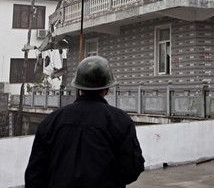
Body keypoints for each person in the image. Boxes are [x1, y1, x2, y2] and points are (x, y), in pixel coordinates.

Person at [25, 56, 145, 187]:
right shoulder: (121, 121)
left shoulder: (51, 122)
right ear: (107, 88)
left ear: (78, 87)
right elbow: (131, 170)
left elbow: (34, 175)